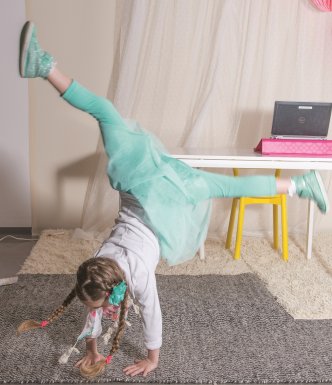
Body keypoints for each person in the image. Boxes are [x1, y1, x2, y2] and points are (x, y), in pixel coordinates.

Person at [17, 21, 329, 380]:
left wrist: (152, 359)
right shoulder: (103, 270)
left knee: (222, 186)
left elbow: (144, 314)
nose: (100, 312)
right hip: (153, 196)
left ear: (105, 283)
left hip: (150, 194)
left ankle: (42, 67)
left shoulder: (118, 276)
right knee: (220, 184)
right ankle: (300, 185)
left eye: (101, 306)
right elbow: (106, 310)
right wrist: (95, 348)